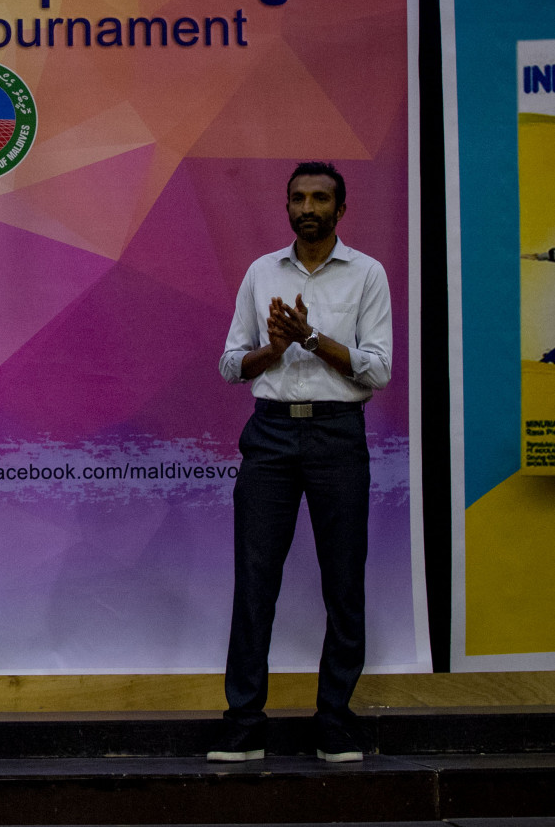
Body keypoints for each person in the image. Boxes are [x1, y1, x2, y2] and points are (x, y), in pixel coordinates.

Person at [210, 161, 391, 763]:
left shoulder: (368, 273)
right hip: (270, 437)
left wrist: (311, 340)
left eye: (320, 198)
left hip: (338, 437)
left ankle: (334, 719)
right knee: (254, 580)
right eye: (298, 198)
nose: (307, 207)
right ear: (286, 207)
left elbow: (379, 368)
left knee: (344, 582)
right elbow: (232, 364)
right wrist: (276, 347)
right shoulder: (261, 272)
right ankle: (243, 721)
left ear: (341, 209)